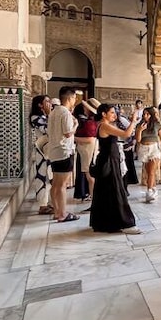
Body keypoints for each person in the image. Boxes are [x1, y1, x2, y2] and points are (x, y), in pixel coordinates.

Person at [90, 103, 141, 235]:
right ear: (104, 114)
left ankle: (108, 222)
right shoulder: (105, 125)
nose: (115, 115)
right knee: (115, 190)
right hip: (108, 162)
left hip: (110, 160)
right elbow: (126, 134)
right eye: (112, 113)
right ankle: (125, 222)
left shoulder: (105, 125)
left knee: (108, 192)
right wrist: (134, 121)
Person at [46, 87, 78, 222]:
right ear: (69, 98)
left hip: (54, 151)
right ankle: (62, 214)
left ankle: (57, 211)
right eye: (75, 98)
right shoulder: (65, 113)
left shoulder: (54, 112)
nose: (75, 101)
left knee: (56, 184)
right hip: (64, 151)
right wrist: (76, 124)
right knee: (62, 185)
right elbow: (68, 133)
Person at [136, 106, 161, 202]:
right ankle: (153, 188)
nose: (145, 116)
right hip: (143, 148)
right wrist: (140, 130)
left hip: (154, 148)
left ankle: (149, 192)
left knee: (151, 172)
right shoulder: (140, 125)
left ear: (151, 115)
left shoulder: (157, 124)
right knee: (149, 172)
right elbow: (138, 140)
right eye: (144, 114)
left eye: (147, 114)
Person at [74, 97, 101, 205]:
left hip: (88, 149)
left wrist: (73, 138)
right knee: (90, 176)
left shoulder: (90, 123)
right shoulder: (92, 121)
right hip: (88, 149)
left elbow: (90, 139)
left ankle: (95, 201)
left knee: (90, 176)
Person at [29, 95, 53, 215]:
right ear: (40, 104)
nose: (50, 103)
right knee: (41, 177)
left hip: (49, 150)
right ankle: (42, 205)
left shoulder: (45, 116)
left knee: (50, 177)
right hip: (42, 150)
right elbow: (48, 129)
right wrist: (50, 115)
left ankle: (48, 202)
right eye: (47, 101)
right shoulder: (36, 117)